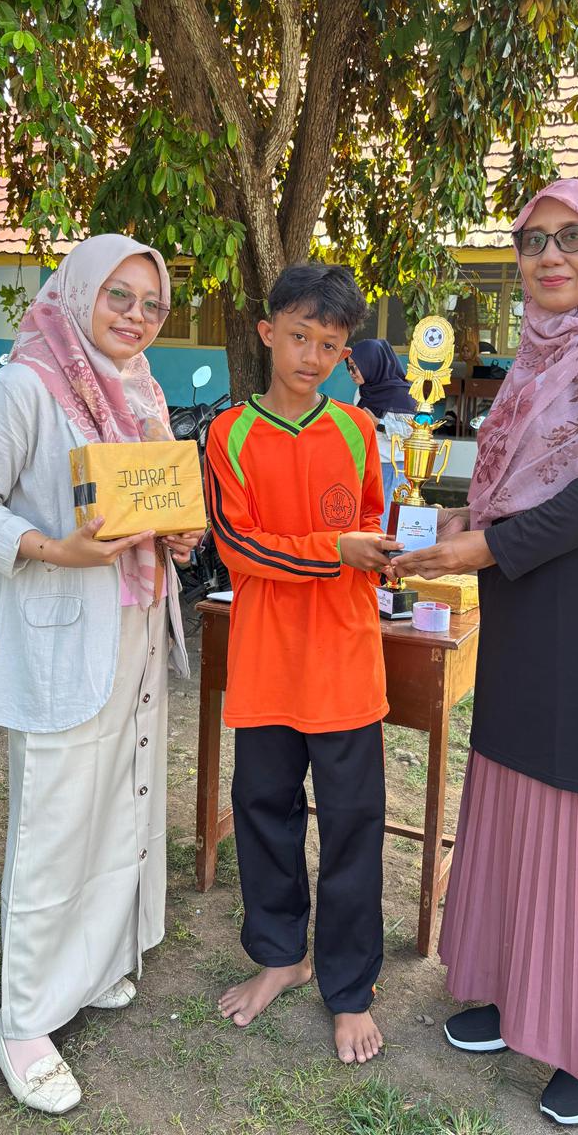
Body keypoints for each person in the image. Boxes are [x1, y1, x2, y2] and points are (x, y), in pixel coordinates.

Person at [392, 179, 578, 1127]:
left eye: (571, 237)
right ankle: (514, 989)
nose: (550, 256)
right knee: (517, 777)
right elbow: (520, 482)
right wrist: (465, 524)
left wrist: (487, 546)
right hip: (530, 600)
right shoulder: (538, 352)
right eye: (533, 241)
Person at [0, 235, 201, 1114]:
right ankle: (23, 1022)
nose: (137, 316)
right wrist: (49, 548)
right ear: (77, 292)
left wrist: (178, 534)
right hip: (62, 636)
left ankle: (94, 965)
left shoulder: (141, 391)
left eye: (153, 303)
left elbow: (148, 506)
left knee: (120, 801)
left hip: (134, 629)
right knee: (55, 824)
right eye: (120, 295)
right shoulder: (23, 386)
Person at [205, 263, 399, 1065]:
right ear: (267, 333)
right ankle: (282, 956)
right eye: (298, 337)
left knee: (354, 826)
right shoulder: (228, 434)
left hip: (346, 662)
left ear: (344, 351)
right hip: (266, 664)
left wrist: (381, 553)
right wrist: (336, 551)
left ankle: (349, 989)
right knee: (263, 813)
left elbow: (373, 524)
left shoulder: (357, 430)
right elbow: (237, 547)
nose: (311, 357)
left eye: (329, 344)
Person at [347, 338, 415, 529]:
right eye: (349, 367)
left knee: (386, 522)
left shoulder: (402, 394)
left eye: (355, 367)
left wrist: (379, 424)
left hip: (393, 467)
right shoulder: (362, 392)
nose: (351, 373)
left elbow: (411, 431)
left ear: (372, 363)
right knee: (366, 519)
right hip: (368, 464)